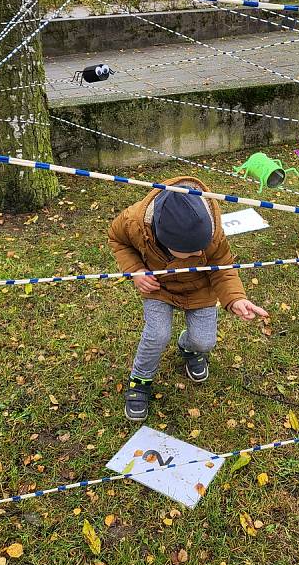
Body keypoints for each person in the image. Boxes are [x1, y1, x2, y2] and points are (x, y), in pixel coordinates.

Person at [108, 176, 269, 421]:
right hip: (158, 288)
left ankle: (188, 348)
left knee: (204, 342)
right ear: (163, 236)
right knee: (157, 334)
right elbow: (118, 240)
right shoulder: (134, 222)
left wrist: (235, 298)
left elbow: (222, 266)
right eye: (191, 252)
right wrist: (136, 272)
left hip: (199, 289)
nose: (199, 254)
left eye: (201, 249)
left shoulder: (213, 229)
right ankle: (140, 380)